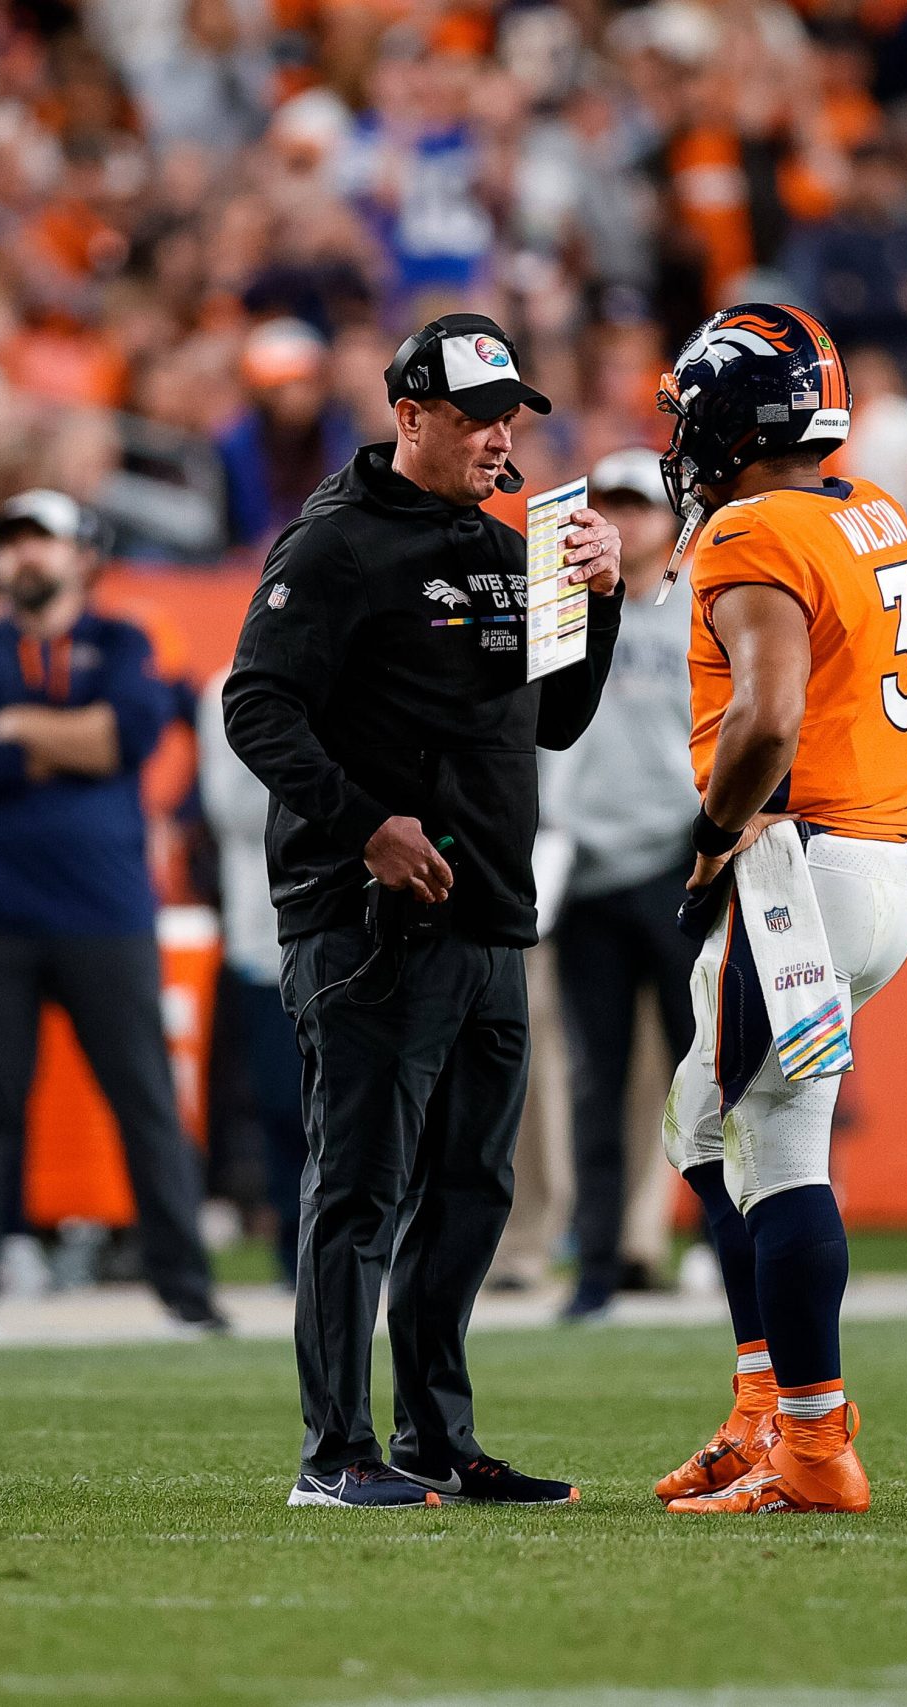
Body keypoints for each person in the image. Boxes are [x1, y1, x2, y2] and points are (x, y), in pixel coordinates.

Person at [223, 312, 623, 1510]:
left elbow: (555, 721)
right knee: (359, 1186)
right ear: (409, 416)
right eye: (476, 417)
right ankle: (332, 1451)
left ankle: (436, 1436)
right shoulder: (333, 545)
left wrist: (596, 599)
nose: (501, 438)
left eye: (511, 417)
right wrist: (366, 826)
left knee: (470, 1192)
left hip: (493, 912)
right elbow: (257, 708)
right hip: (368, 923)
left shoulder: (508, 546)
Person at [650, 302, 907, 1517]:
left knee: (775, 1149)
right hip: (870, 865)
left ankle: (814, 1444)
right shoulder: (870, 511)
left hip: (799, 871)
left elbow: (768, 716)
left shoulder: (751, 528)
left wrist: (714, 837)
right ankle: (759, 1412)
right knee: (699, 1123)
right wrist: (874, 811)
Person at [0, 490, 224, 1337]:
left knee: (145, 1101)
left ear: (81, 556)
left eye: (43, 540)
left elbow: (128, 739)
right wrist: (60, 738)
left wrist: (21, 729)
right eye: (13, 540)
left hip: (107, 909)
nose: (26, 556)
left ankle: (186, 1289)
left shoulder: (125, 639)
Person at [543, 446, 706, 1322]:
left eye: (638, 505)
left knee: (711, 1073)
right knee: (594, 1084)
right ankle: (596, 1264)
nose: (624, 520)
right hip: (584, 873)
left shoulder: (700, 605)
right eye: (609, 504)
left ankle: (725, 1250)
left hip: (677, 866)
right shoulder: (559, 615)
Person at [195, 664, 306, 1285]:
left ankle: (379, 1247)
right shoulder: (225, 689)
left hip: (360, 926)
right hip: (264, 927)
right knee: (280, 1101)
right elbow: (231, 809)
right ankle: (294, 1250)